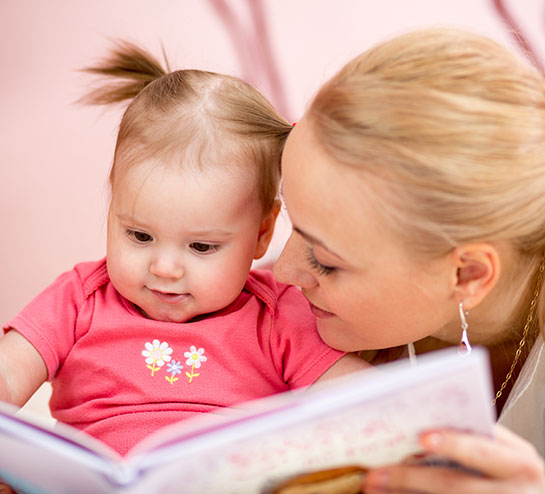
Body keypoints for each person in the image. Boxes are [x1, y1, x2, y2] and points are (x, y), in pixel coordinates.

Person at [0, 41, 367, 458]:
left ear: (262, 233)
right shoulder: (79, 298)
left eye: (200, 246)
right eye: (139, 236)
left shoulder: (277, 313)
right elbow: (9, 374)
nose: (165, 267)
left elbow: (359, 393)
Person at [273, 27, 545, 493]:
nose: (282, 272)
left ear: (468, 274)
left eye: (325, 261)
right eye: (289, 223)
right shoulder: (269, 323)